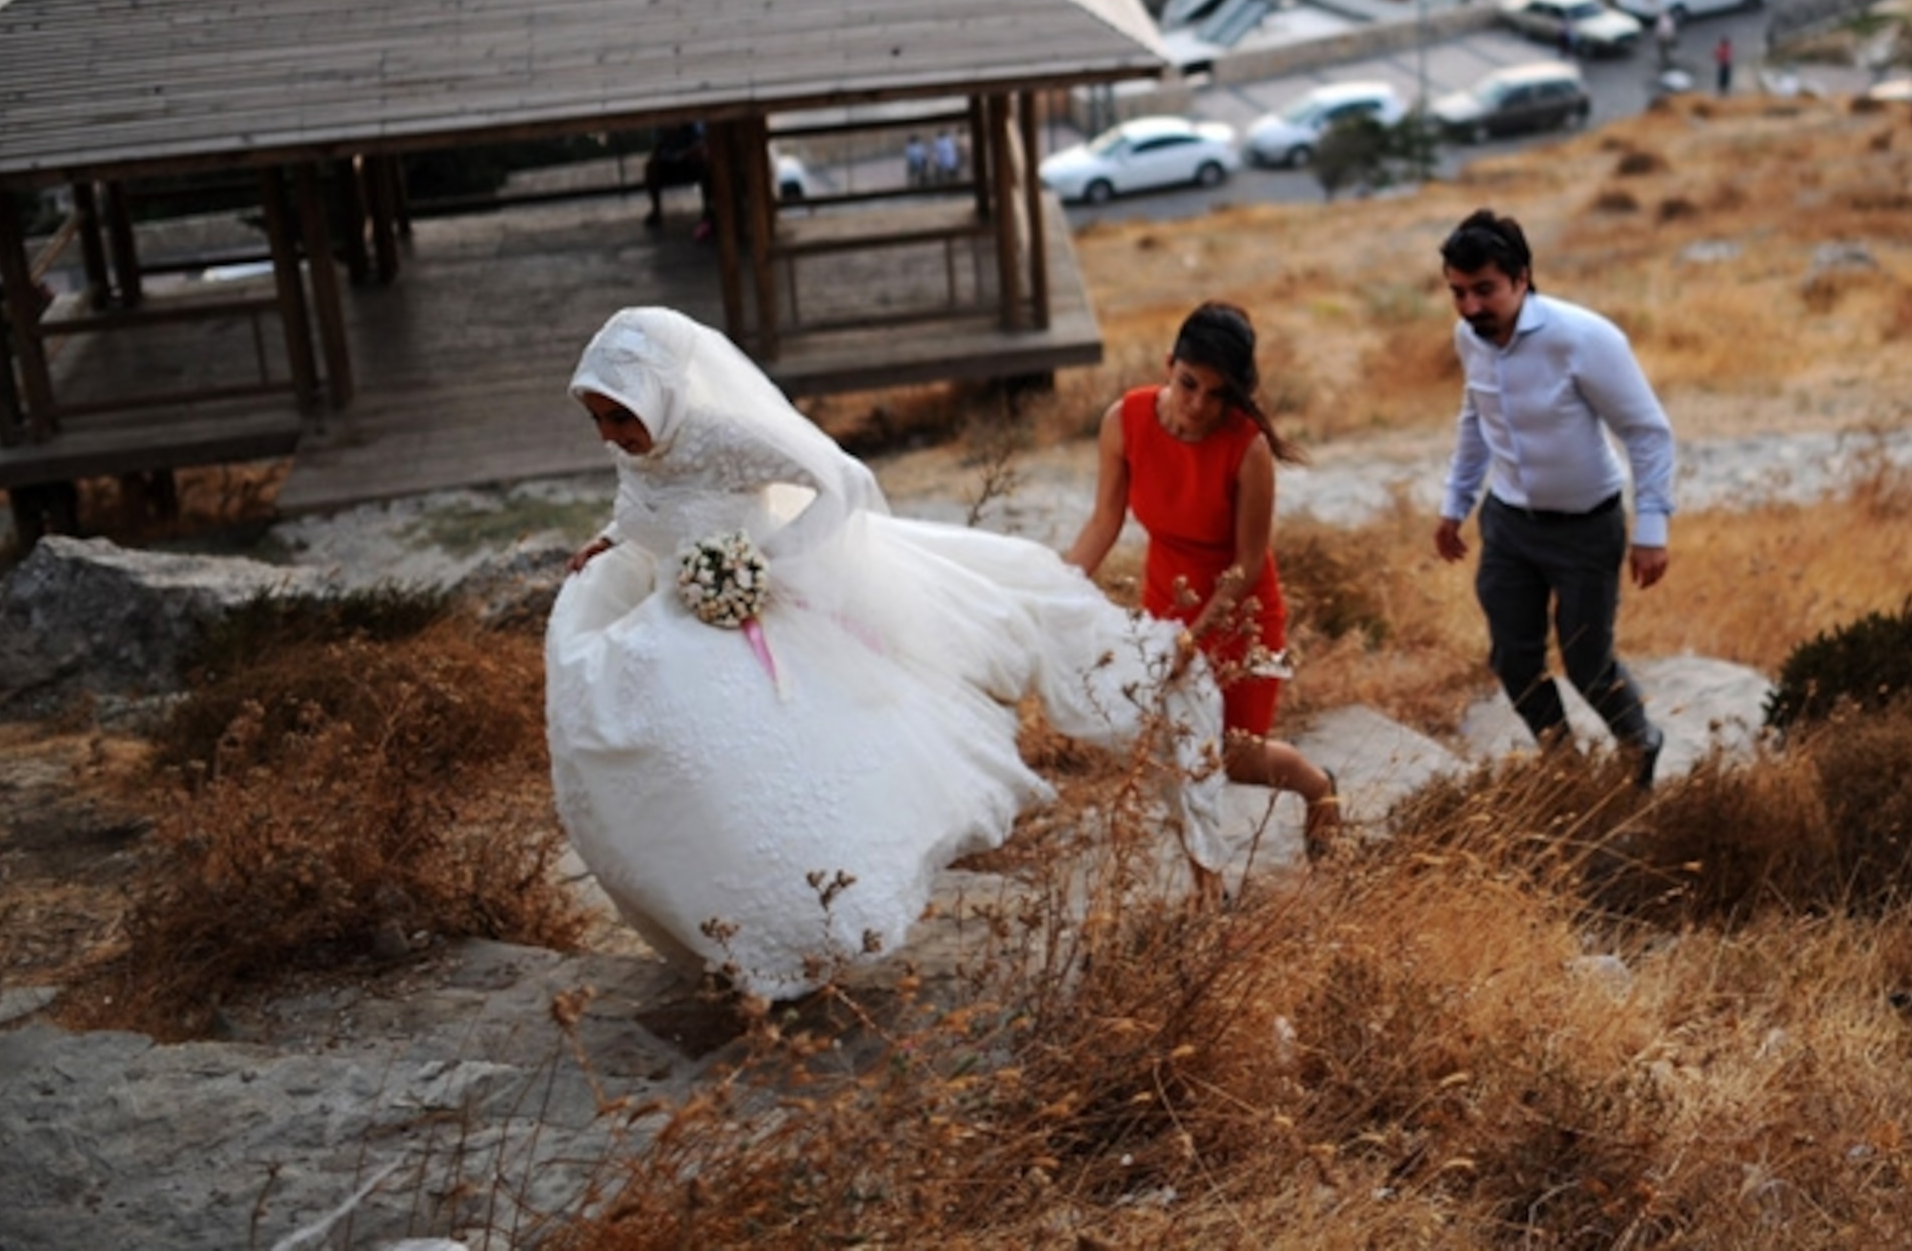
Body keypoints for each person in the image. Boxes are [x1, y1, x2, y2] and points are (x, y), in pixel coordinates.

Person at [549, 307, 1226, 1000]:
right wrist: (610, 540)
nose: (611, 433)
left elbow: (838, 480)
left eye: (619, 416)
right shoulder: (635, 444)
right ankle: (729, 926)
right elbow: (646, 501)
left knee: (766, 772)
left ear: (662, 392)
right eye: (600, 418)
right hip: (681, 608)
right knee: (661, 752)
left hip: (756, 609)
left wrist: (767, 559)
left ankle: (799, 925)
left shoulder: (720, 434)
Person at [1064, 302, 1340, 858]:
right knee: (1175, 750)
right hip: (1166, 604)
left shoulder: (1248, 447)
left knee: (1233, 756)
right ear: (1169, 364)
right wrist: (1053, 588)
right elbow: (1103, 523)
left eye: (1217, 394)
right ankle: (1204, 894)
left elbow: (1248, 562)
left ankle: (1318, 787)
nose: (1198, 404)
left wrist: (1200, 632)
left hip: (1240, 612)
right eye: (1188, 384)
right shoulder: (1126, 420)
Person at [1432, 210, 1675, 788]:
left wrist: (1652, 529)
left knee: (1589, 662)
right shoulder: (1471, 338)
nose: (1470, 308)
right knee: (1513, 660)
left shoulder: (1585, 339)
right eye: (1457, 293)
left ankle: (1639, 743)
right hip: (1509, 524)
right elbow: (1477, 418)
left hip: (1587, 528)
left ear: (1522, 278)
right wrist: (1455, 501)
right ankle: (1565, 767)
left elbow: (1646, 432)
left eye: (1484, 290)